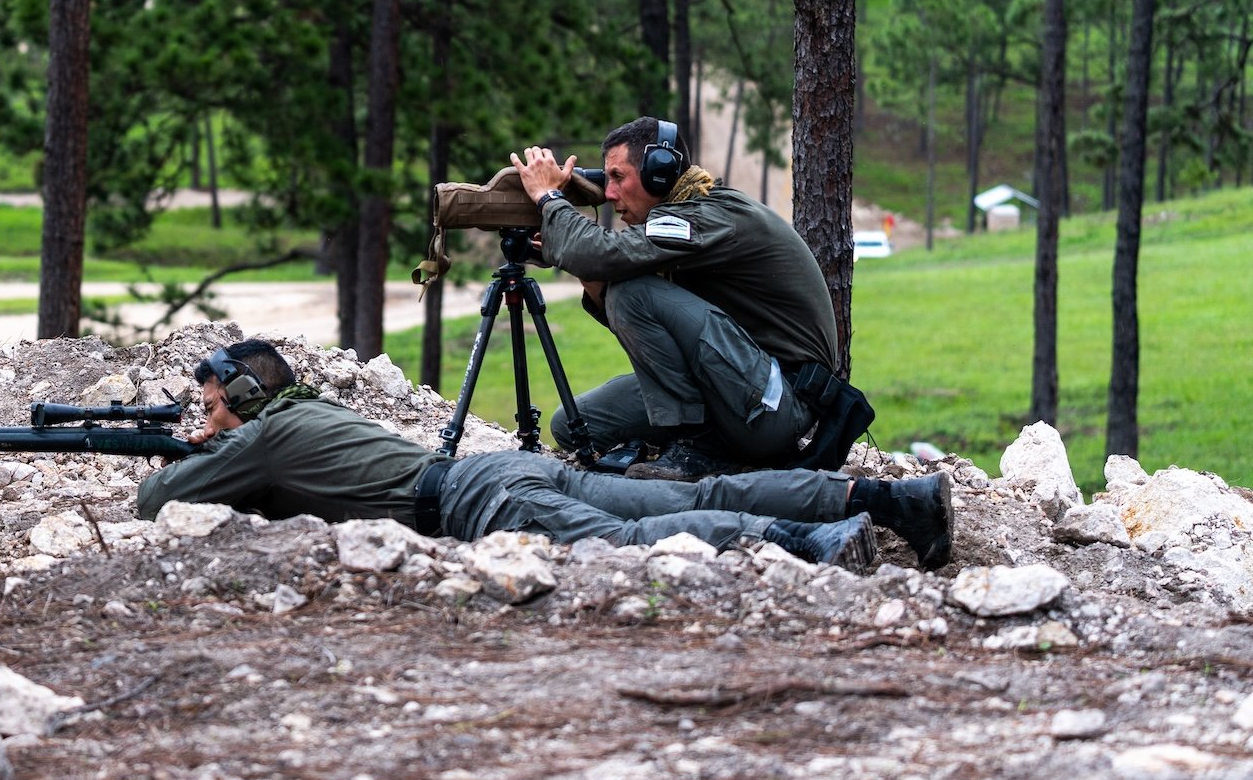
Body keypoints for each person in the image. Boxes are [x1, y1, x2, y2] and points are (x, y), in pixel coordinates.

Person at [135, 340, 952, 571]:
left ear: (243, 398)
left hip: (476, 505)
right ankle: (892, 503)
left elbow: (155, 504)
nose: (203, 416)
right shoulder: (313, 415)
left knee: (638, 541)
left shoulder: (269, 436)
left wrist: (197, 452)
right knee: (673, 501)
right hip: (499, 473)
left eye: (210, 404)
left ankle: (804, 545)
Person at [510, 117, 843, 482]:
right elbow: (632, 308)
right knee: (577, 426)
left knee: (629, 289)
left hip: (775, 406)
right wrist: (575, 258)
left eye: (618, 177)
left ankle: (697, 449)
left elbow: (611, 267)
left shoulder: (713, 215)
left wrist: (549, 198)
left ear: (659, 171)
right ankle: (704, 440)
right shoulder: (685, 219)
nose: (609, 193)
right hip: (734, 389)